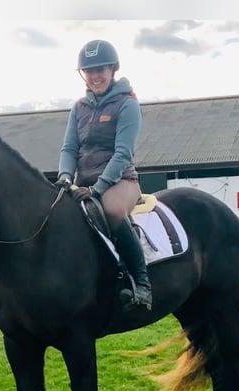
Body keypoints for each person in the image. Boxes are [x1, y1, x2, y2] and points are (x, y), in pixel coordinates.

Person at [56, 39, 152, 311]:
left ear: (112, 69)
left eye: (100, 69)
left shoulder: (127, 104)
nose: (95, 76)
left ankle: (142, 284)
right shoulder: (79, 107)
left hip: (121, 181)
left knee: (110, 210)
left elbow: (122, 154)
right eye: (89, 70)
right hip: (83, 183)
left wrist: (98, 189)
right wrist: (65, 176)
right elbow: (69, 147)